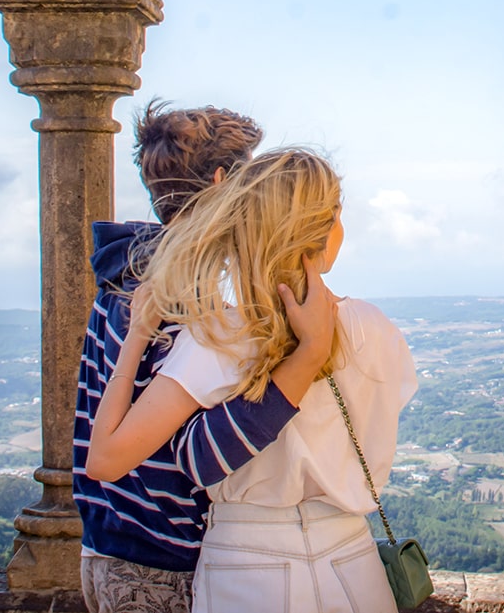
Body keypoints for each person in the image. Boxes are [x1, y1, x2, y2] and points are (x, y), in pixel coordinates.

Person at [87, 148, 418, 613]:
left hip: (247, 568)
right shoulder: (375, 328)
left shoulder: (219, 337)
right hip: (354, 564)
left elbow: (105, 459)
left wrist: (137, 337)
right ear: (326, 228)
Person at [74, 102, 337, 613]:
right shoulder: (183, 300)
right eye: (250, 180)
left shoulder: (123, 275)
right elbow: (174, 452)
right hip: (158, 560)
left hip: (107, 543)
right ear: (222, 183)